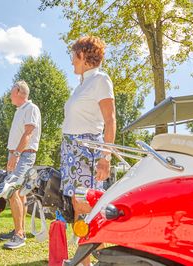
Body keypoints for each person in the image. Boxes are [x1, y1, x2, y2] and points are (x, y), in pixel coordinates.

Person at [61, 36, 116, 266]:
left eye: (73, 55)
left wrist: (106, 157)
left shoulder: (100, 80)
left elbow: (110, 120)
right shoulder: (82, 84)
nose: (71, 60)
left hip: (87, 151)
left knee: (88, 207)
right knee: (78, 207)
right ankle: (85, 263)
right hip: (71, 150)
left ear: (83, 55)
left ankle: (101, 262)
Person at [0, 80, 41, 249]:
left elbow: (28, 133)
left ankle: (19, 235)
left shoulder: (31, 108)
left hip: (24, 154)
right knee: (19, 193)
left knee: (11, 189)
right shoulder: (20, 111)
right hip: (17, 153)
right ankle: (18, 229)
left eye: (12, 91)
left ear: (20, 92)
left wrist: (15, 154)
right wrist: (12, 155)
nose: (9, 95)